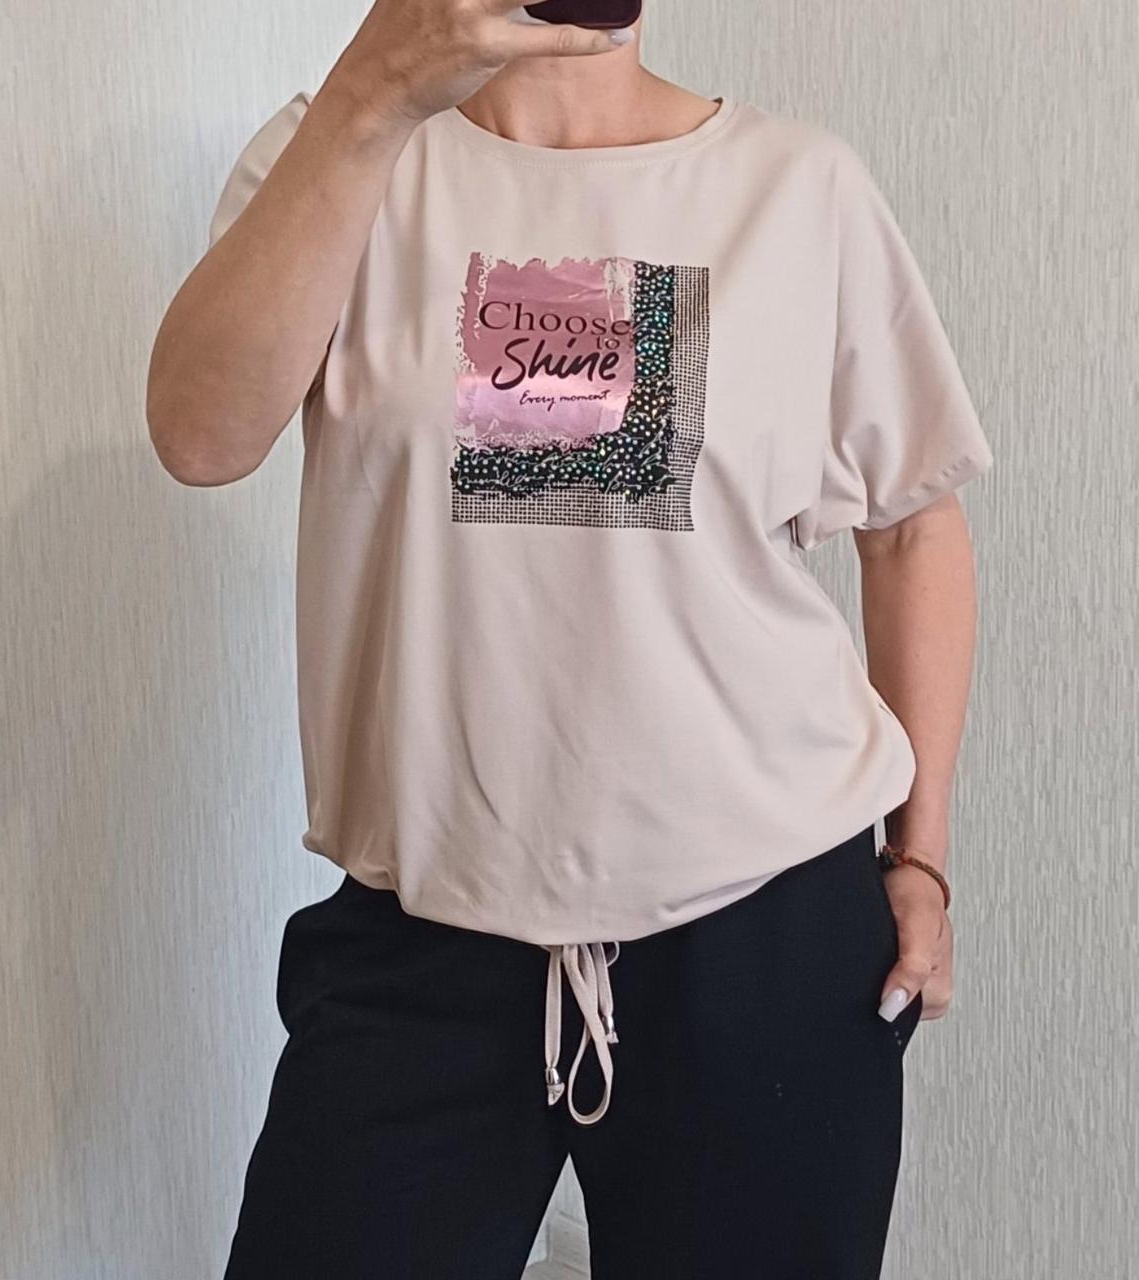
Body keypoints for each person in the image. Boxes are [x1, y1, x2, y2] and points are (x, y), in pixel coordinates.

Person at [146, 1, 993, 1275]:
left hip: (760, 934)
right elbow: (199, 437)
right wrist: (374, 89)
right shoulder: (344, 155)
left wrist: (918, 857)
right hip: (422, 934)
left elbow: (913, 526)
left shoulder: (795, 188)